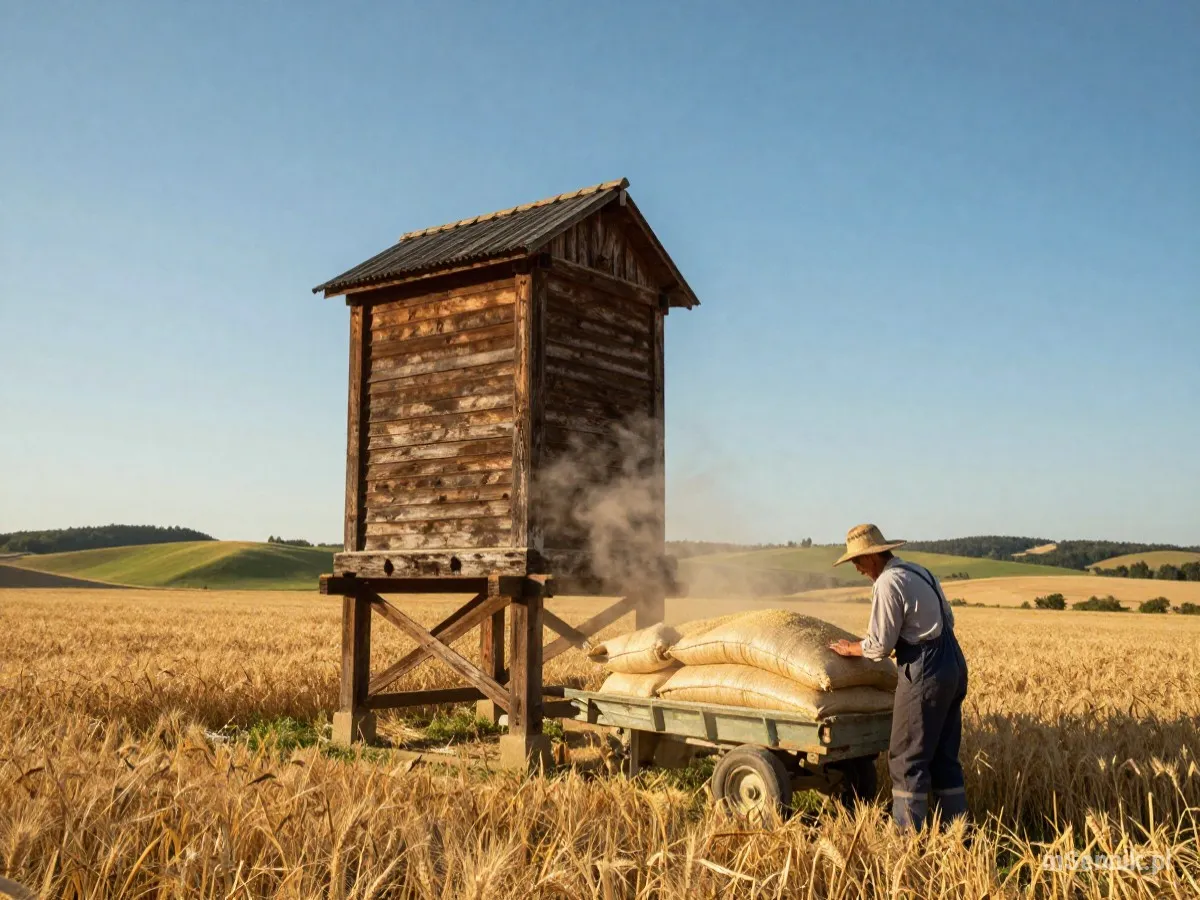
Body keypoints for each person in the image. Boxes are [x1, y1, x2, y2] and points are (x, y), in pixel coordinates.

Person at [827, 523, 969, 831]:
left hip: (926, 670)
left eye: (857, 561)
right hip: (954, 664)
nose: (857, 568)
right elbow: (948, 619)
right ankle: (958, 836)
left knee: (906, 758)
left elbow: (879, 646)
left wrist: (851, 648)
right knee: (944, 757)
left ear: (873, 556)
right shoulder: (920, 572)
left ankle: (907, 840)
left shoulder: (887, 582)